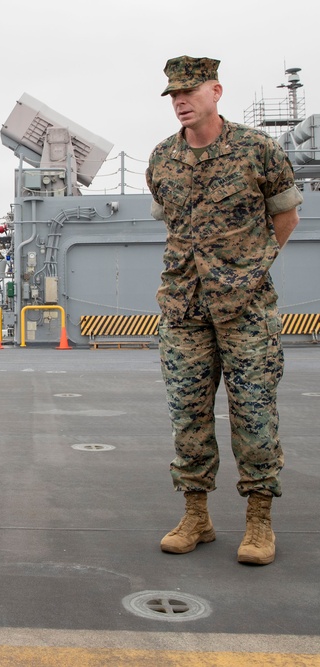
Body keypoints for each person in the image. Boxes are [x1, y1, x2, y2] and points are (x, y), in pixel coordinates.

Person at [147, 56, 302, 566]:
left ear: (216, 90)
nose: (180, 101)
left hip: (246, 310)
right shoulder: (162, 160)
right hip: (184, 307)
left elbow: (286, 217)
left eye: (189, 91)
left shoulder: (258, 150)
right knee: (188, 416)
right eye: (173, 94)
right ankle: (197, 515)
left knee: (254, 413)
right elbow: (167, 221)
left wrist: (249, 270)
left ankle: (259, 520)